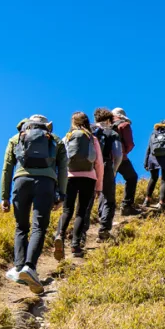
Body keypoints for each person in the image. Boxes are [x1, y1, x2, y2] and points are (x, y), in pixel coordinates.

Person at [0, 114, 67, 294]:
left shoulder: (16, 138)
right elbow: (63, 168)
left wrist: (4, 196)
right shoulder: (55, 140)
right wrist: (61, 193)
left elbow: (7, 167)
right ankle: (30, 267)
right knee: (39, 226)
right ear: (46, 126)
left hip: (21, 182)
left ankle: (19, 267)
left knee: (21, 227)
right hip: (46, 183)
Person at [53, 112, 104, 259]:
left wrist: (58, 184)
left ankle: (60, 236)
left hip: (69, 177)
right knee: (81, 212)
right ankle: (75, 246)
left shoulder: (67, 138)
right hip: (88, 178)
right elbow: (99, 164)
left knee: (67, 210)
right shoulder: (92, 139)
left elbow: (60, 163)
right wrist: (99, 187)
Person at [92, 108, 124, 240]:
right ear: (108, 120)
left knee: (86, 200)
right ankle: (104, 229)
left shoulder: (88, 132)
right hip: (105, 165)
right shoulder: (112, 133)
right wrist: (114, 169)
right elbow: (118, 155)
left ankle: (79, 237)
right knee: (108, 198)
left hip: (88, 168)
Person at [112, 107, 139, 215]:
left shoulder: (103, 125)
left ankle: (104, 211)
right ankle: (126, 206)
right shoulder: (124, 125)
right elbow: (130, 144)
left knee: (109, 183)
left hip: (105, 159)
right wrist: (124, 152)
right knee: (132, 177)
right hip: (121, 158)